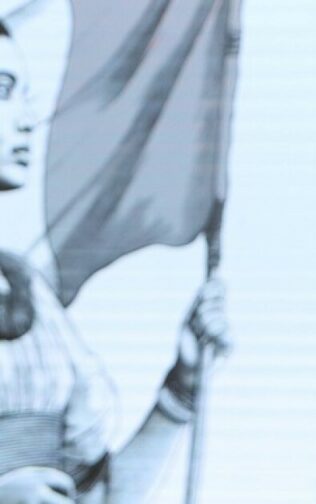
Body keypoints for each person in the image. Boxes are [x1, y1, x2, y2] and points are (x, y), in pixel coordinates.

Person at [0, 12, 231, 503]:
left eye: (25, 95)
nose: (26, 118)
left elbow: (102, 496)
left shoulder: (30, 293)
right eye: (2, 89)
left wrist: (181, 387)